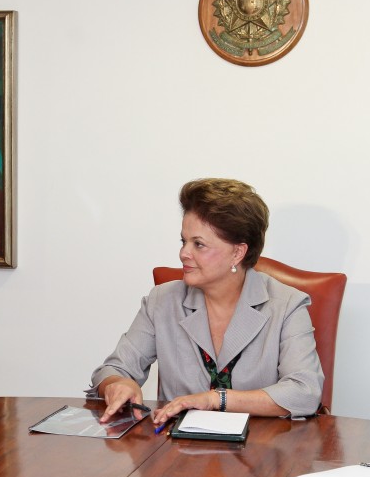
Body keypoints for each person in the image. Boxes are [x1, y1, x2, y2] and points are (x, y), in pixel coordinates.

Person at [89, 178, 324, 427]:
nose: (183, 253)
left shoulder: (287, 306)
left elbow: (305, 392)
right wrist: (117, 383)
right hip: (176, 446)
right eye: (184, 241)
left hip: (260, 445)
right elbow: (113, 369)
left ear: (238, 252)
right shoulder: (162, 301)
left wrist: (215, 399)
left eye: (198, 244)